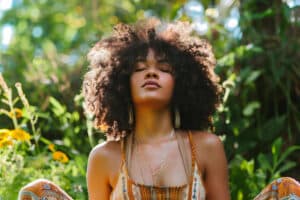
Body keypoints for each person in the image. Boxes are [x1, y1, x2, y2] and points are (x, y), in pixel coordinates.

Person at [18, 18, 300, 200]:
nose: (151, 74)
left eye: (163, 69)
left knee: (287, 192)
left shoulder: (206, 147)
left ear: (183, 83)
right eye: (139, 69)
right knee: (37, 194)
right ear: (119, 84)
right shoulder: (104, 156)